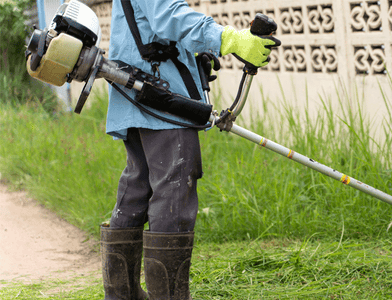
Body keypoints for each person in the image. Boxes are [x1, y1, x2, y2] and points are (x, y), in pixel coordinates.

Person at [100, 1, 277, 299]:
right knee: (174, 191)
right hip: (160, 102)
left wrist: (194, 53)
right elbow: (169, 17)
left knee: (137, 189)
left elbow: (151, 28)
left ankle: (122, 295)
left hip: (137, 96)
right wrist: (229, 39)